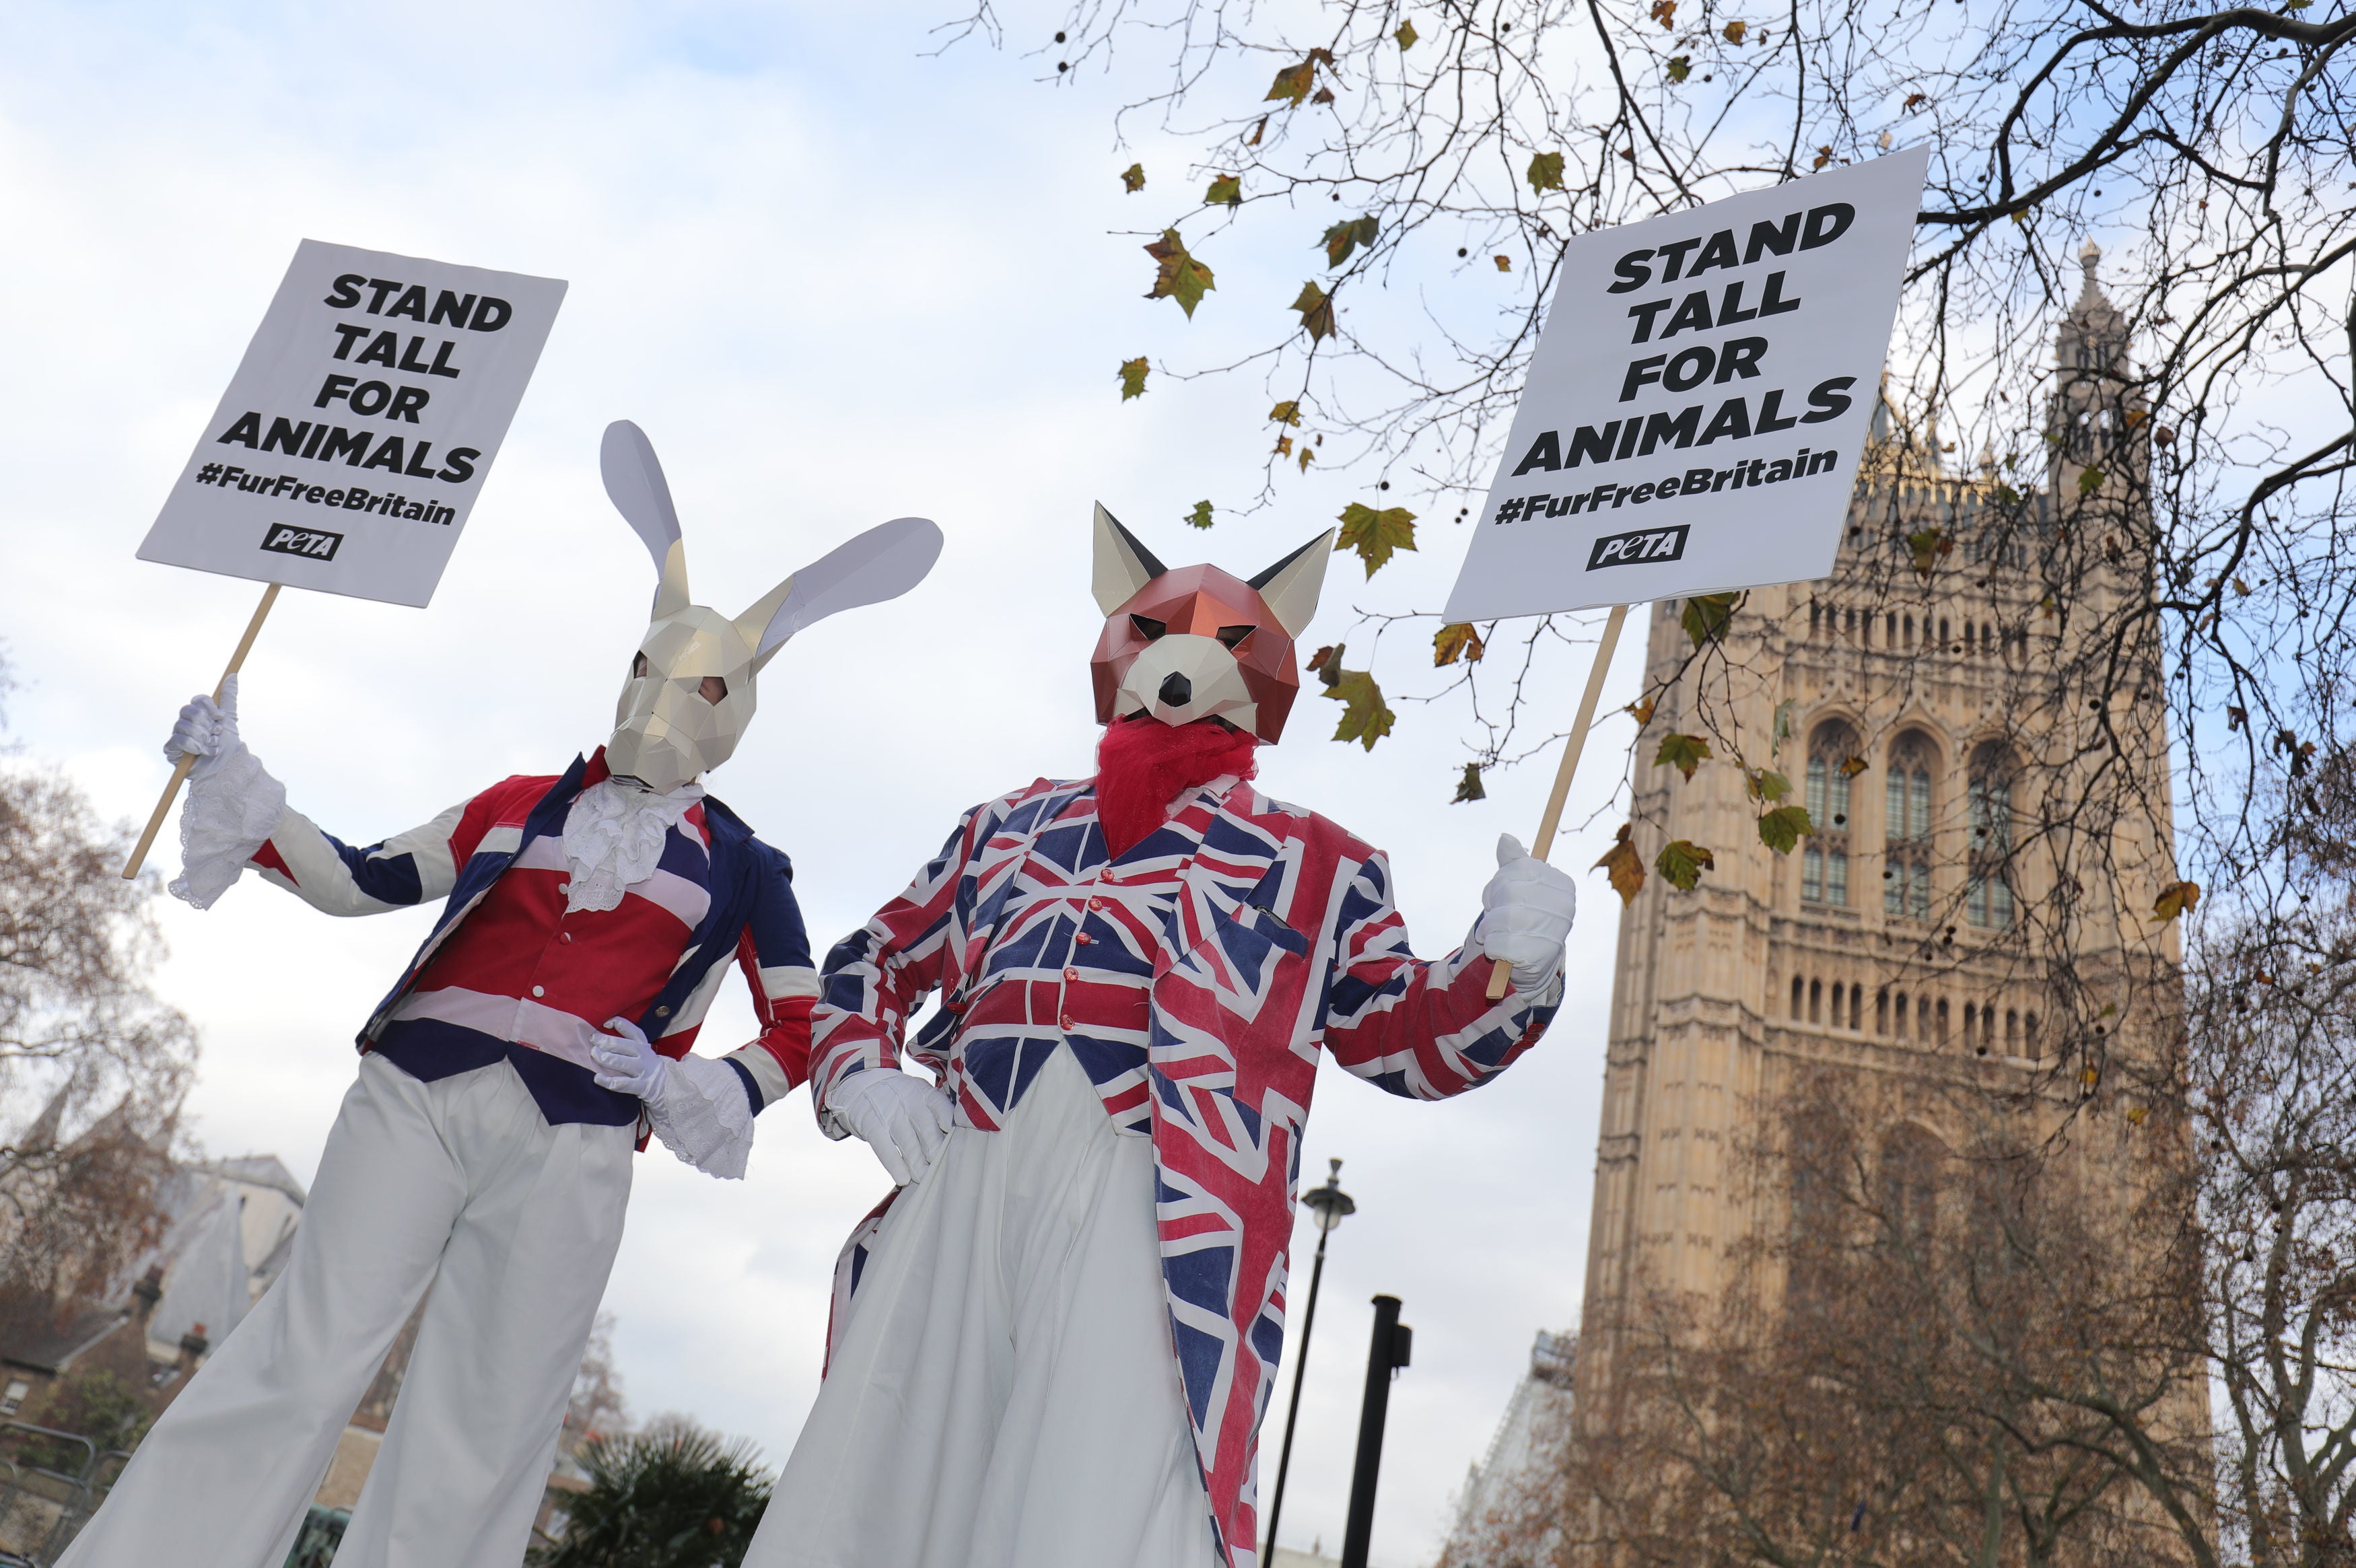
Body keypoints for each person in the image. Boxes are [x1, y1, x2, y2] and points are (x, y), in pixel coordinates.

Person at [60, 423, 939, 1568]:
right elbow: (365, 876)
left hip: (573, 1139)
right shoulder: (517, 803)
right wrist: (240, 781)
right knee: (299, 1352)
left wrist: (705, 1081)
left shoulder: (745, 865)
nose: (660, 699)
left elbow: (801, 1019)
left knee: (488, 1423)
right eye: (648, 667)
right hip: (413, 1096)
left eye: (699, 683)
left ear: (737, 706)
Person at [744, 507, 1577, 1568]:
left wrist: (1515, 964)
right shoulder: (1007, 825)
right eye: (1150, 629)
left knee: (1094, 1510)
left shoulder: (1318, 863)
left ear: (1268, 666)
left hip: (1166, 1202)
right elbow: (873, 958)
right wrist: (864, 1076)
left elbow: (1404, 1035)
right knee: (876, 1490)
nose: (1182, 665)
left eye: (1230, 642)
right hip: (965, 1167)